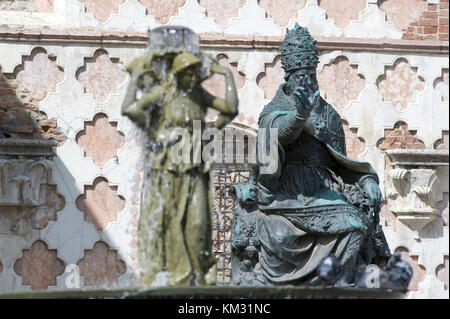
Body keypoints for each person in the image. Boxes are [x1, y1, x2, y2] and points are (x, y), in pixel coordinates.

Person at [253, 24, 390, 286]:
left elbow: (341, 163)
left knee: (354, 225)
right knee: (280, 237)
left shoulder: (329, 115)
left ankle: (339, 283)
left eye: (310, 77)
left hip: (323, 191)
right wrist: (299, 116)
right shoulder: (274, 110)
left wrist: (367, 181)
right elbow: (276, 134)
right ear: (289, 79)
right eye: (300, 78)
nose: (306, 83)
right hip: (286, 193)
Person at [122, 44, 238, 286]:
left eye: (195, 73)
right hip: (169, 169)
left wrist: (226, 75)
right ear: (177, 73)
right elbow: (129, 109)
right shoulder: (164, 93)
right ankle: (178, 279)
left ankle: (200, 276)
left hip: (195, 170)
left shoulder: (198, 94)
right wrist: (155, 134)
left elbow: (230, 109)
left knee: (198, 224)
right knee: (170, 222)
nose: (192, 77)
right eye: (188, 72)